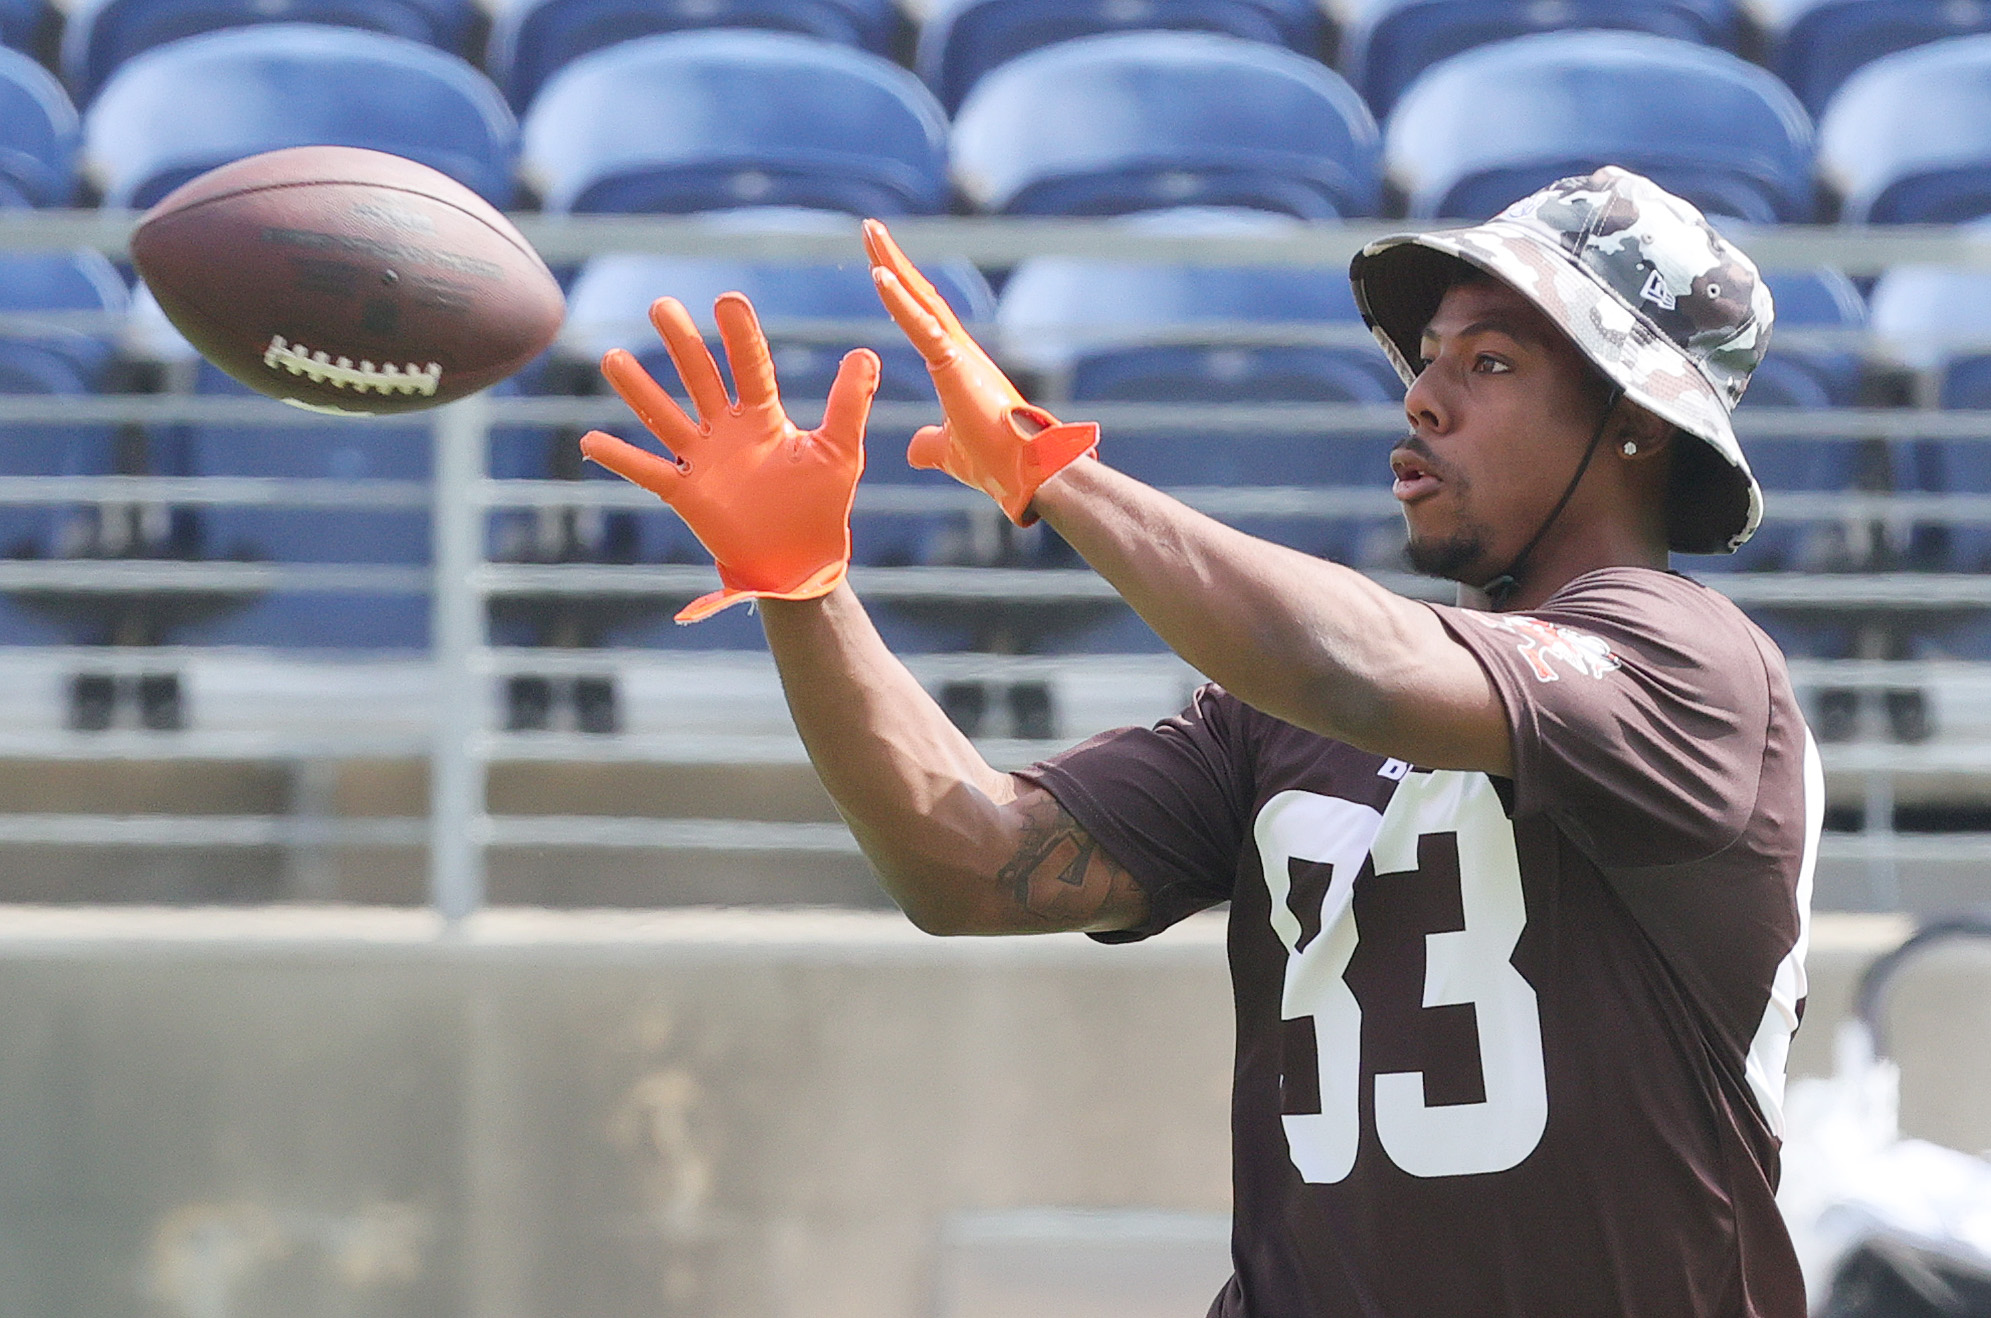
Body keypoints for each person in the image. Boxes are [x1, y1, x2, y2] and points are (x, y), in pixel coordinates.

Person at [578, 166, 1818, 1318]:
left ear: (1636, 423)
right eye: (1425, 357)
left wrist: (1043, 467)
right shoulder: (1290, 707)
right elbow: (962, 862)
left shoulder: (1692, 669)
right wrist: (802, 588)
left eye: (1487, 363)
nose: (1420, 396)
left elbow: (1355, 666)